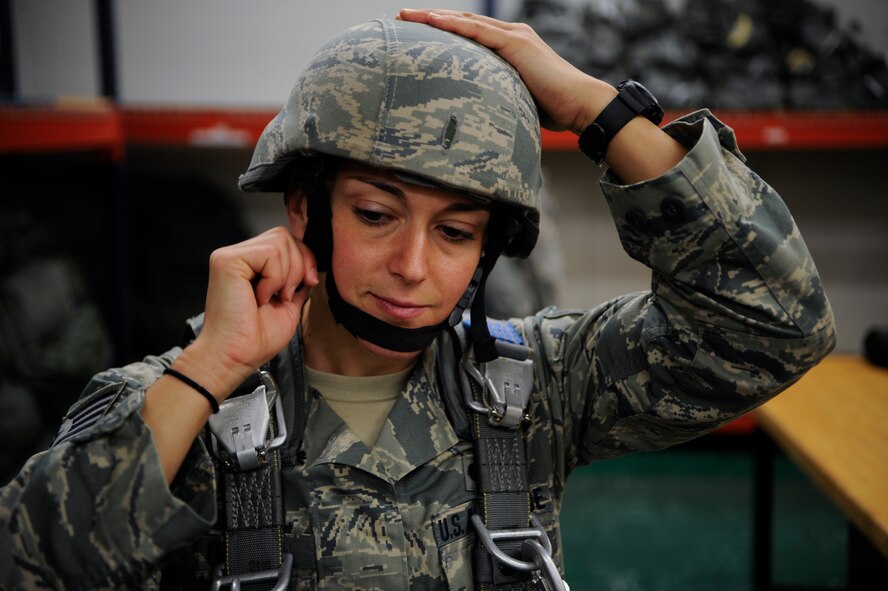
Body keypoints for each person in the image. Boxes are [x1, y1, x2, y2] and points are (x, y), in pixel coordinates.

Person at [0, 8, 835, 590]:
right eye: (375, 214)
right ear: (303, 207)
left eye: (457, 232)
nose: (411, 265)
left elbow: (772, 323)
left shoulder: (535, 385)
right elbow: (30, 563)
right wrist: (211, 366)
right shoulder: (177, 405)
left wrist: (597, 108)